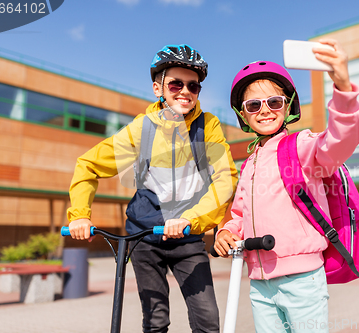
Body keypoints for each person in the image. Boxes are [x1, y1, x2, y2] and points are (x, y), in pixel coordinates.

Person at [67, 44, 238, 333]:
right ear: (158, 88)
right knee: (155, 321)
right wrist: (79, 215)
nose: (185, 91)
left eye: (193, 86)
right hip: (144, 237)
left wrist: (190, 220)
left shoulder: (207, 126)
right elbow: (88, 165)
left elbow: (225, 179)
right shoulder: (141, 129)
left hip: (187, 236)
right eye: (176, 84)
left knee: (208, 322)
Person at [213, 39, 359, 333]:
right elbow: (240, 215)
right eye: (253, 105)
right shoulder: (250, 165)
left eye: (274, 102)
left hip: (302, 278)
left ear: (288, 106)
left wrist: (343, 88)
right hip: (259, 281)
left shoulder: (301, 147)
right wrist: (226, 232)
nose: (265, 110)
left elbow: (340, 140)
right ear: (243, 115)